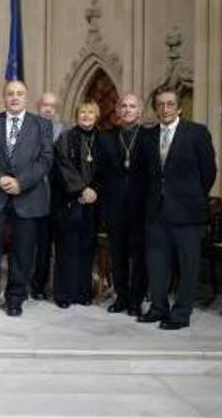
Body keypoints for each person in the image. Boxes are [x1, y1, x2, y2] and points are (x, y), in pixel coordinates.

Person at [0, 80, 53, 318]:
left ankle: (15, 298)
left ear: (26, 97)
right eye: (10, 94)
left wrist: (21, 183)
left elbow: (45, 160)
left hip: (28, 197)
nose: (14, 98)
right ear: (3, 98)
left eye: (19, 94)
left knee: (23, 252)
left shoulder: (41, 125)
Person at [138, 86, 216, 330]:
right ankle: (159, 308)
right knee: (157, 263)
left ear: (179, 107)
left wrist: (189, 197)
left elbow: (209, 173)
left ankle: (181, 314)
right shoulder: (147, 136)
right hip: (156, 212)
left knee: (187, 265)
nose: (165, 109)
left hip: (187, 213)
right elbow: (144, 176)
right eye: (160, 104)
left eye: (170, 104)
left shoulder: (197, 133)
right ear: (155, 108)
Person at [98, 93, 147, 316]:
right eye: (124, 106)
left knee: (139, 256)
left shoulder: (149, 136)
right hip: (114, 206)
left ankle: (136, 299)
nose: (127, 110)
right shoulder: (106, 137)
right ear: (117, 111)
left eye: (132, 106)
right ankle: (121, 297)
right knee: (117, 254)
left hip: (141, 206)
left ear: (140, 111)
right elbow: (99, 173)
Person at [53, 102, 101, 309]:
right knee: (67, 248)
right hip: (70, 201)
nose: (86, 115)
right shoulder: (66, 137)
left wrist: (94, 190)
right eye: (82, 112)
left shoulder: (104, 139)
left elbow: (108, 169)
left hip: (94, 203)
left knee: (87, 248)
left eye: (91, 112)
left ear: (97, 116)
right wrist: (81, 190)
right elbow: (63, 166)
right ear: (76, 115)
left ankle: (83, 293)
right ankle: (64, 294)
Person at [30, 91, 67, 300]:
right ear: (38, 106)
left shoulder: (65, 131)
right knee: (40, 245)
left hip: (59, 197)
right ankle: (37, 286)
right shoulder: (29, 128)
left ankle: (58, 287)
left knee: (59, 244)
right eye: (45, 104)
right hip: (34, 194)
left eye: (52, 106)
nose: (48, 109)